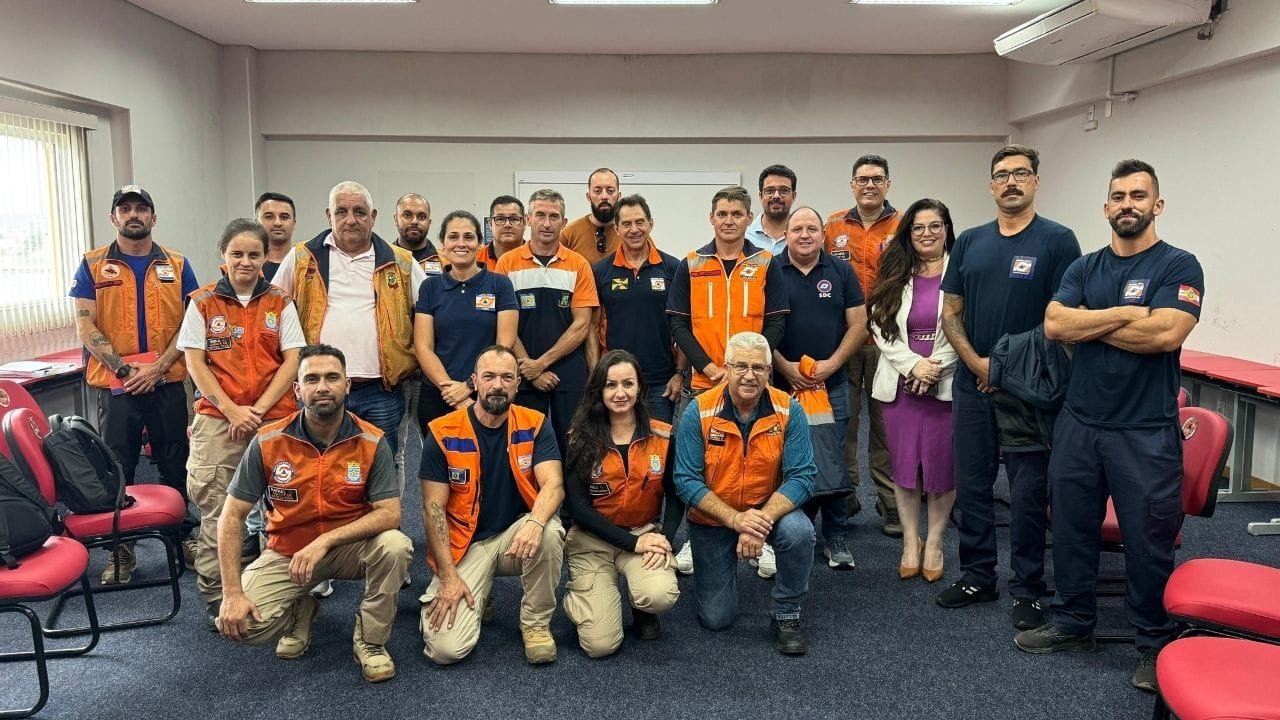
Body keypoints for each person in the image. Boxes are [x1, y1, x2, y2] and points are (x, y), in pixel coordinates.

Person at [1015, 160, 1204, 694]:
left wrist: (1091, 322)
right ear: (1106, 208)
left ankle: (1153, 641)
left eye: (1138, 195)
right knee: (1072, 529)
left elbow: (1166, 335)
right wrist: (1128, 313)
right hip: (1080, 424)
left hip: (1145, 431)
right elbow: (1054, 324)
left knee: (1149, 540)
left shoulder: (1179, 265)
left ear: (1156, 205)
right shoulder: (1086, 265)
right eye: (1118, 196)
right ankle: (1074, 623)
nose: (1127, 204)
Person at [936, 145, 1081, 632]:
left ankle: (1028, 588)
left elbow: (1062, 319)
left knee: (1026, 491)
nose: (1011, 182)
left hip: (1032, 392)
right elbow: (950, 312)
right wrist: (979, 363)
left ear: (1036, 181)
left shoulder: (1059, 241)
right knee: (973, 485)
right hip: (973, 384)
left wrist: (1005, 369)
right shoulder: (971, 242)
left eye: (1021, 174)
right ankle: (978, 575)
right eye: (1002, 175)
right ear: (991, 185)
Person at [215, 344, 414, 684]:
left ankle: (370, 639)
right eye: (312, 378)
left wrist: (325, 540)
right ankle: (301, 609)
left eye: (332, 377)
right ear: (297, 390)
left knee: (395, 546)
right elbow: (231, 517)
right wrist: (231, 593)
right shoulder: (267, 441)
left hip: (350, 547)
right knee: (242, 626)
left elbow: (390, 514)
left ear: (347, 385)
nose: (322, 386)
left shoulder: (371, 440)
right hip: (288, 552)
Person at [69, 184, 200, 585]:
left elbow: (190, 322)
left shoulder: (177, 265)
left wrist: (158, 368)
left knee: (175, 462)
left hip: (168, 381)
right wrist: (126, 371)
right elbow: (84, 322)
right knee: (118, 467)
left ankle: (182, 537)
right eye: (124, 209)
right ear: (114, 218)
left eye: (141, 208)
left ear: (153, 217)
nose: (133, 215)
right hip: (116, 386)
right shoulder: (93, 265)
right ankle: (120, 548)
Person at [178, 218, 304, 630]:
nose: (245, 262)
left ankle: (283, 587)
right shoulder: (201, 302)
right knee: (219, 510)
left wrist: (260, 409)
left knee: (286, 506)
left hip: (275, 417)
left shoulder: (281, 302)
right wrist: (232, 409)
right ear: (223, 256)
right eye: (237, 254)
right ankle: (219, 596)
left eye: (254, 254)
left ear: (266, 257)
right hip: (220, 420)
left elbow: (291, 361)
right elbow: (196, 363)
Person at [666, 185, 789, 576]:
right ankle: (693, 537)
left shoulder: (768, 263)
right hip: (705, 383)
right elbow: (679, 324)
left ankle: (761, 536)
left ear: (748, 218)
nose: (730, 220)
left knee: (758, 463)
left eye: (738, 214)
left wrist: (749, 366)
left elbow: (777, 321)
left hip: (753, 384)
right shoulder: (691, 263)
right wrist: (708, 367)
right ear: (711, 218)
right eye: (723, 213)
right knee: (696, 466)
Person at [419, 345, 566, 666]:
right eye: (489, 377)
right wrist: (447, 576)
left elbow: (553, 485)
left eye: (506, 377)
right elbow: (432, 511)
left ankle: (536, 624)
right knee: (446, 651)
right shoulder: (443, 431)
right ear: (474, 382)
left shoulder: (535, 423)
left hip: (516, 537)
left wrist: (535, 522)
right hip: (464, 545)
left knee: (552, 531)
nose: (497, 385)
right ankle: (478, 591)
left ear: (516, 385)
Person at [673, 332, 816, 655]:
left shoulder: (788, 409)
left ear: (769, 371)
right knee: (717, 618)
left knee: (799, 531)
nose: (750, 375)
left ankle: (787, 612)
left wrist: (759, 520)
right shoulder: (700, 411)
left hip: (769, 510)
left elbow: (803, 476)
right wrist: (736, 520)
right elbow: (685, 480)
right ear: (726, 368)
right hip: (713, 517)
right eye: (740, 366)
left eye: (758, 367)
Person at [270, 180, 426, 467]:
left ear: (374, 216)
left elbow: (428, 313)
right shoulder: (303, 258)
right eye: (341, 211)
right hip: (319, 386)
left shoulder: (401, 261)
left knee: (385, 463)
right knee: (318, 464)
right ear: (328, 216)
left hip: (381, 389)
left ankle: (385, 514)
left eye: (359, 211)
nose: (350, 219)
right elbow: (272, 311)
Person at [563, 350, 683, 656]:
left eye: (628, 384)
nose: (620, 393)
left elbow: (676, 494)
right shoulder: (580, 438)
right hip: (592, 541)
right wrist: (633, 544)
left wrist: (664, 540)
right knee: (600, 646)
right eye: (610, 385)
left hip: (643, 532)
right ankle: (583, 597)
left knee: (660, 595)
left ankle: (642, 606)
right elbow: (578, 509)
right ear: (598, 391)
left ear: (640, 388)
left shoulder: (663, 435)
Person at [867, 199, 959, 583]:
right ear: (909, 233)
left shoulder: (961, 270)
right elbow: (878, 323)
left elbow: (967, 326)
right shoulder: (895, 271)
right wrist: (913, 365)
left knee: (941, 467)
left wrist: (934, 366)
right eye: (918, 227)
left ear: (946, 229)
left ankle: (935, 541)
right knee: (905, 468)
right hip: (901, 385)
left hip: (946, 384)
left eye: (934, 226)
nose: (926, 234)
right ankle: (910, 540)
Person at [773, 206, 866, 570]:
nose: (805, 234)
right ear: (787, 235)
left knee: (835, 455)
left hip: (833, 383)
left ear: (823, 234)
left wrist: (833, 364)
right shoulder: (770, 271)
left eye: (812, 228)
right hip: (783, 384)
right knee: (785, 458)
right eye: (797, 229)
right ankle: (790, 529)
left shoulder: (842, 271)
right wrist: (785, 366)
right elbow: (761, 326)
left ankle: (837, 535)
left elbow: (858, 324)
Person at [823, 154, 902, 536]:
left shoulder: (902, 225)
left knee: (886, 427)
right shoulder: (833, 226)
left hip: (889, 341)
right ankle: (846, 498)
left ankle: (890, 505)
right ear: (852, 184)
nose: (869, 185)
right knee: (845, 423)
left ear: (888, 184)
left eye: (876, 179)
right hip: (845, 340)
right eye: (862, 179)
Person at [493, 189, 599, 455]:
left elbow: (582, 325)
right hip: (521, 369)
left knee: (574, 445)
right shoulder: (507, 263)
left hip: (569, 370)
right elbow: (505, 324)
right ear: (529, 219)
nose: (547, 223)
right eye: (540, 215)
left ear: (564, 222)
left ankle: (573, 498)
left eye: (554, 216)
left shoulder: (579, 265)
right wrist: (531, 369)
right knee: (524, 446)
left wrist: (541, 364)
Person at [413, 210, 518, 429]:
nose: (461, 243)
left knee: (488, 460)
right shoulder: (430, 287)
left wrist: (470, 385)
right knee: (438, 461)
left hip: (488, 394)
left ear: (480, 243)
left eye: (469, 237)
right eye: (453, 237)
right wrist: (454, 392)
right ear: (442, 244)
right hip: (440, 394)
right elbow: (423, 347)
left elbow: (504, 345)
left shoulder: (500, 285)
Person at [590, 195, 683, 423]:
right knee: (617, 450)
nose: (634, 229)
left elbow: (684, 326)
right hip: (615, 383)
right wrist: (597, 376)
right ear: (616, 228)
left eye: (640, 222)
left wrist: (679, 374)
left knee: (659, 455)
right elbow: (591, 327)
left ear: (650, 223)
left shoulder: (673, 268)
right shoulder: (600, 271)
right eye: (627, 224)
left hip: (661, 384)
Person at [560, 168, 622, 265]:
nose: (604, 196)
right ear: (589, 197)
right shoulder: (570, 234)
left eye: (610, 191)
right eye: (597, 191)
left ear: (619, 196)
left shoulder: (632, 233)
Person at [745, 165, 797, 255]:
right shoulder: (744, 235)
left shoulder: (804, 238)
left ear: (793, 196)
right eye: (769, 190)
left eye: (784, 190)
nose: (776, 196)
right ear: (761, 196)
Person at [256, 192, 297, 282]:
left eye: (284, 217)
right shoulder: (245, 267)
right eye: (269, 217)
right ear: (257, 223)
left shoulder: (307, 267)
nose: (277, 223)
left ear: (294, 223)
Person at [478, 195, 527, 268]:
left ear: (524, 223)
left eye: (514, 219)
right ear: (490, 224)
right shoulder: (475, 259)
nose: (507, 225)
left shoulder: (536, 260)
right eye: (500, 219)